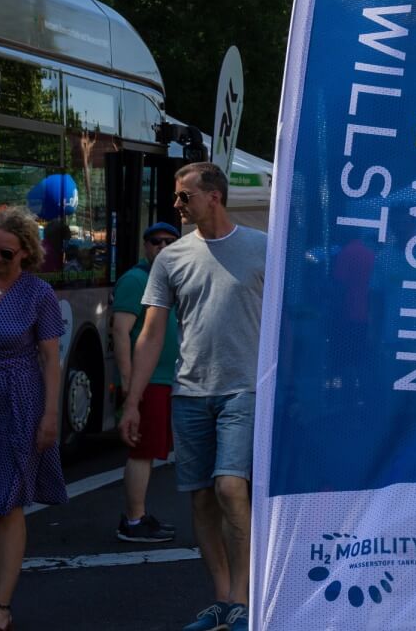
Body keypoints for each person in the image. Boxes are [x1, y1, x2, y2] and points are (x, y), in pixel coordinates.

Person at [120, 163, 266, 631]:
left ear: (214, 197)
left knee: (229, 486)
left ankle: (243, 600)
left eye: (185, 197)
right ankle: (222, 600)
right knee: (202, 499)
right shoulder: (172, 258)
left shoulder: (262, 248)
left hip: (244, 389)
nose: (177, 205)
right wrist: (132, 399)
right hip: (190, 393)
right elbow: (150, 332)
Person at [0, 207, 67, 631]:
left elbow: (51, 359)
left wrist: (50, 414)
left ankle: (0, 605)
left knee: (7, 503)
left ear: (25, 253)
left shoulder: (38, 294)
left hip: (18, 402)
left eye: (6, 254)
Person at [111, 221, 181, 543]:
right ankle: (133, 520)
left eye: (170, 242)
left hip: (165, 379)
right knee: (142, 451)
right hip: (148, 379)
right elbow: (121, 332)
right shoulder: (136, 280)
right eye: (156, 242)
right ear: (145, 246)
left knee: (150, 450)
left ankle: (138, 514)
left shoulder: (169, 279)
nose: (163, 248)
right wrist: (129, 383)